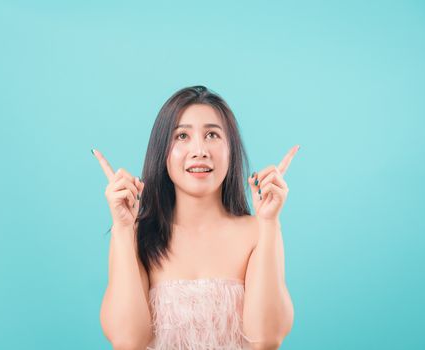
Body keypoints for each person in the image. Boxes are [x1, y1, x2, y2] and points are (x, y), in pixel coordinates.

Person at [95, 85, 298, 350]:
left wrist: (270, 223)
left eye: (212, 135)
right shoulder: (137, 235)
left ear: (231, 150)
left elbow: (266, 339)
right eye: (181, 136)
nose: (199, 150)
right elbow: (127, 342)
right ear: (162, 152)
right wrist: (122, 229)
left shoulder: (256, 232)